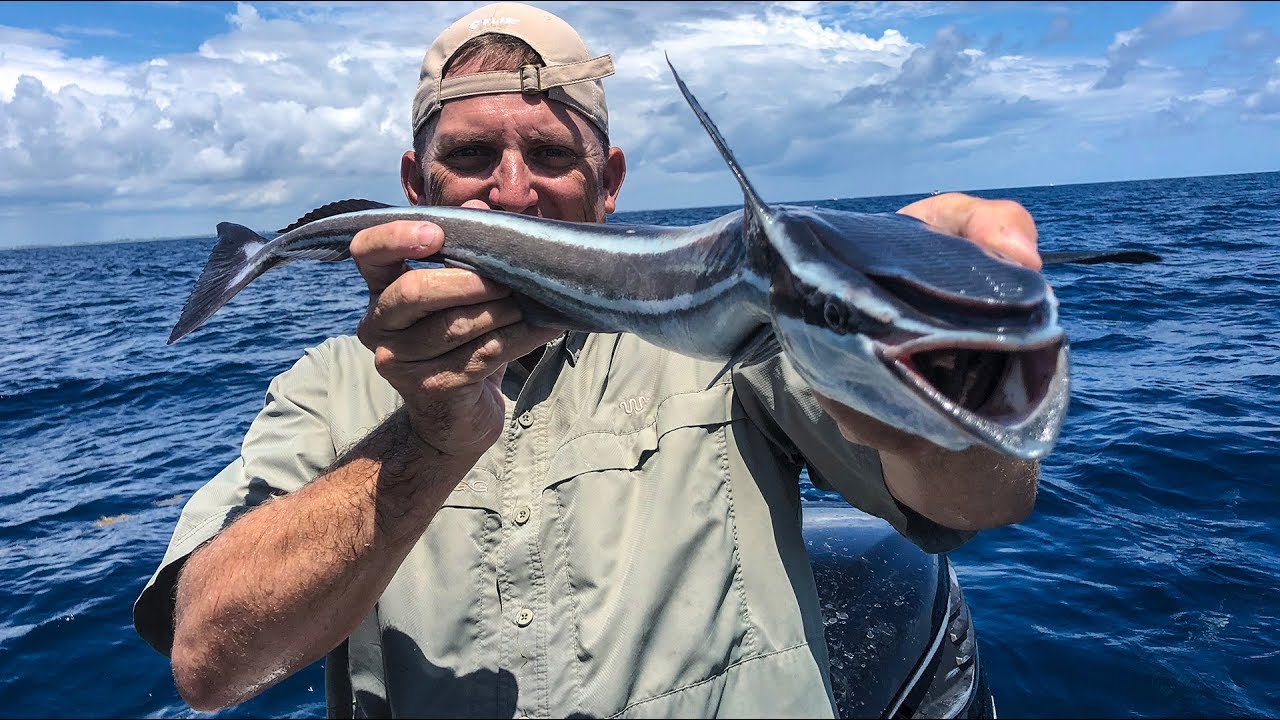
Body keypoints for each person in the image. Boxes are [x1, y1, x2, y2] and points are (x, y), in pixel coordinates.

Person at [134, 3, 1043, 718]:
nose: (515, 189)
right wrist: (429, 443)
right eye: (473, 155)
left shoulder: (728, 341)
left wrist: (928, 368)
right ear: (415, 192)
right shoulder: (330, 384)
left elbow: (983, 500)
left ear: (609, 184)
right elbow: (210, 665)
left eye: (552, 156)